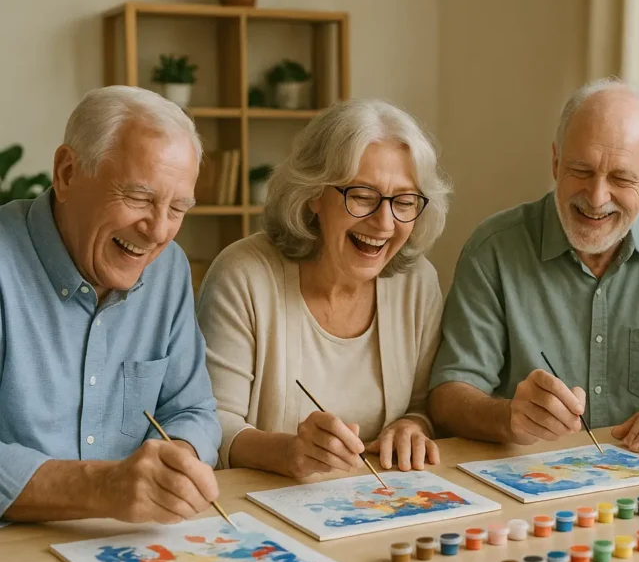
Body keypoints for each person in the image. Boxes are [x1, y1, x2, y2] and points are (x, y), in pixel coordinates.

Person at [428, 78, 639, 451]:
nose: (596, 198)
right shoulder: (494, 249)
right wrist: (508, 417)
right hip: (530, 479)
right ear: (555, 162)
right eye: (581, 170)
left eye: (621, 178)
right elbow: (447, 397)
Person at [0, 85, 222, 525]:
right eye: (139, 198)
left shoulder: (168, 268)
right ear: (66, 173)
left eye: (177, 208)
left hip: (128, 547)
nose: (159, 231)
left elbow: (192, 409)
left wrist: (177, 462)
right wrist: (102, 487)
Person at [196, 99, 451, 478]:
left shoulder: (417, 282)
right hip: (263, 509)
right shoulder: (243, 275)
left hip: (378, 506)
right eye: (362, 196)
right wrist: (287, 452)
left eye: (403, 201)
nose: (384, 223)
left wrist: (413, 428)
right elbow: (210, 425)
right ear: (314, 194)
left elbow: (423, 405)